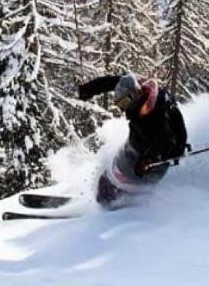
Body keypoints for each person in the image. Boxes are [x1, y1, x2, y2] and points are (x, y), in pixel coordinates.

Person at [78, 74, 188, 207]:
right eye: (120, 104)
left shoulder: (150, 115)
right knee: (113, 169)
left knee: (119, 179)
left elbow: (165, 140)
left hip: (157, 158)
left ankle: (125, 203)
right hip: (146, 146)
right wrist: (89, 89)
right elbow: (113, 82)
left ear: (134, 94)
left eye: (124, 103)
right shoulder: (140, 88)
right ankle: (113, 192)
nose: (123, 108)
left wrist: (148, 160)